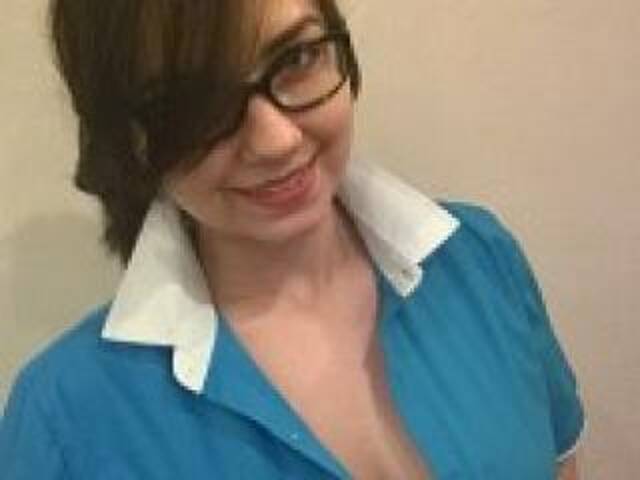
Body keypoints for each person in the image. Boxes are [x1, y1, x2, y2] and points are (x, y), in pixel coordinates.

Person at [0, 0, 585, 478]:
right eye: (196, 101)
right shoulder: (64, 420)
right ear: (126, 138)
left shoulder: (479, 259)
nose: (276, 140)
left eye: (297, 57)